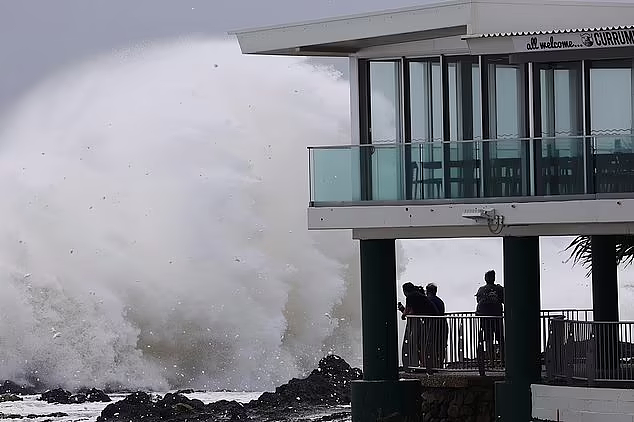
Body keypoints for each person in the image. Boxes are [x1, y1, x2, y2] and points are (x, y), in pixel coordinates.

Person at [398, 282, 439, 370]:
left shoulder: (410, 296)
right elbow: (413, 311)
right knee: (425, 343)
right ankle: (425, 364)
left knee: (423, 343)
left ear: (405, 291)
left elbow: (408, 310)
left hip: (429, 320)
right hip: (432, 319)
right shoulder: (417, 295)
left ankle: (424, 365)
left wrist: (403, 314)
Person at [475, 270, 505, 366]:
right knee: (500, 339)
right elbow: (505, 300)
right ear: (494, 278)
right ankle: (503, 360)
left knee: (488, 340)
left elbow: (478, 301)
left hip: (485, 319)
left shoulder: (481, 290)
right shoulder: (499, 289)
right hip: (498, 318)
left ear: (485, 278)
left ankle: (491, 361)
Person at [426, 283, 448, 369]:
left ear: (428, 291)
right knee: (441, 346)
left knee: (432, 345)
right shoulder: (440, 301)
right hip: (442, 325)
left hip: (433, 326)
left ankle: (433, 365)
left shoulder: (428, 300)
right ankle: (440, 364)